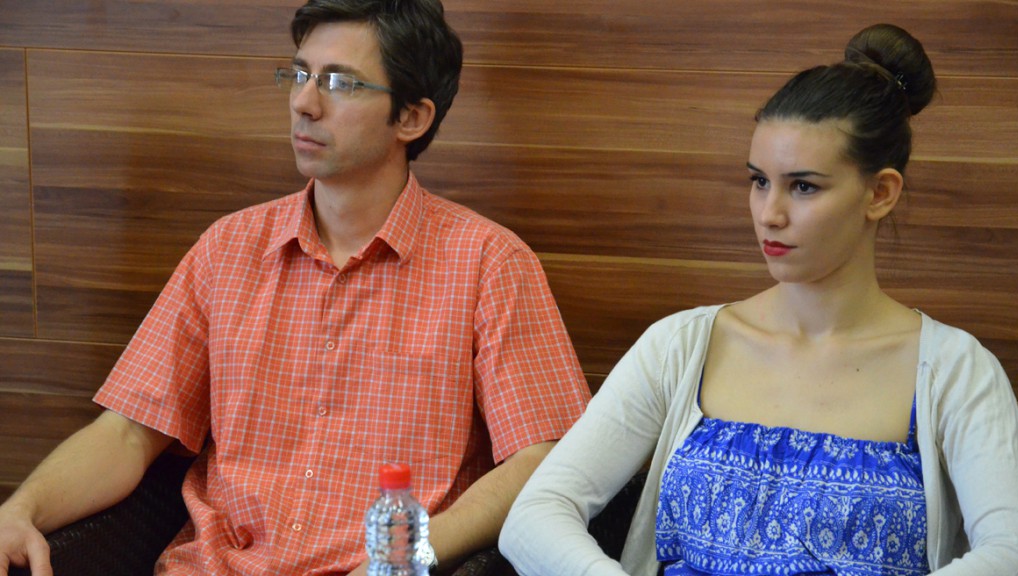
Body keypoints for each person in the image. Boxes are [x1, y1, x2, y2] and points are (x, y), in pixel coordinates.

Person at [0, 0, 591, 574]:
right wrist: (21, 510)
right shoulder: (228, 248)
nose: (304, 103)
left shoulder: (489, 263)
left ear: (411, 118)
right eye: (300, 74)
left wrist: (400, 556)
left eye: (340, 83)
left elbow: (541, 459)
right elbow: (130, 432)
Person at [500, 23, 1018, 576]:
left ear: (880, 193)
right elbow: (535, 514)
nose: (769, 214)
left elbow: (1017, 553)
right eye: (759, 181)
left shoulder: (957, 371)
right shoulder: (680, 346)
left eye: (803, 186)